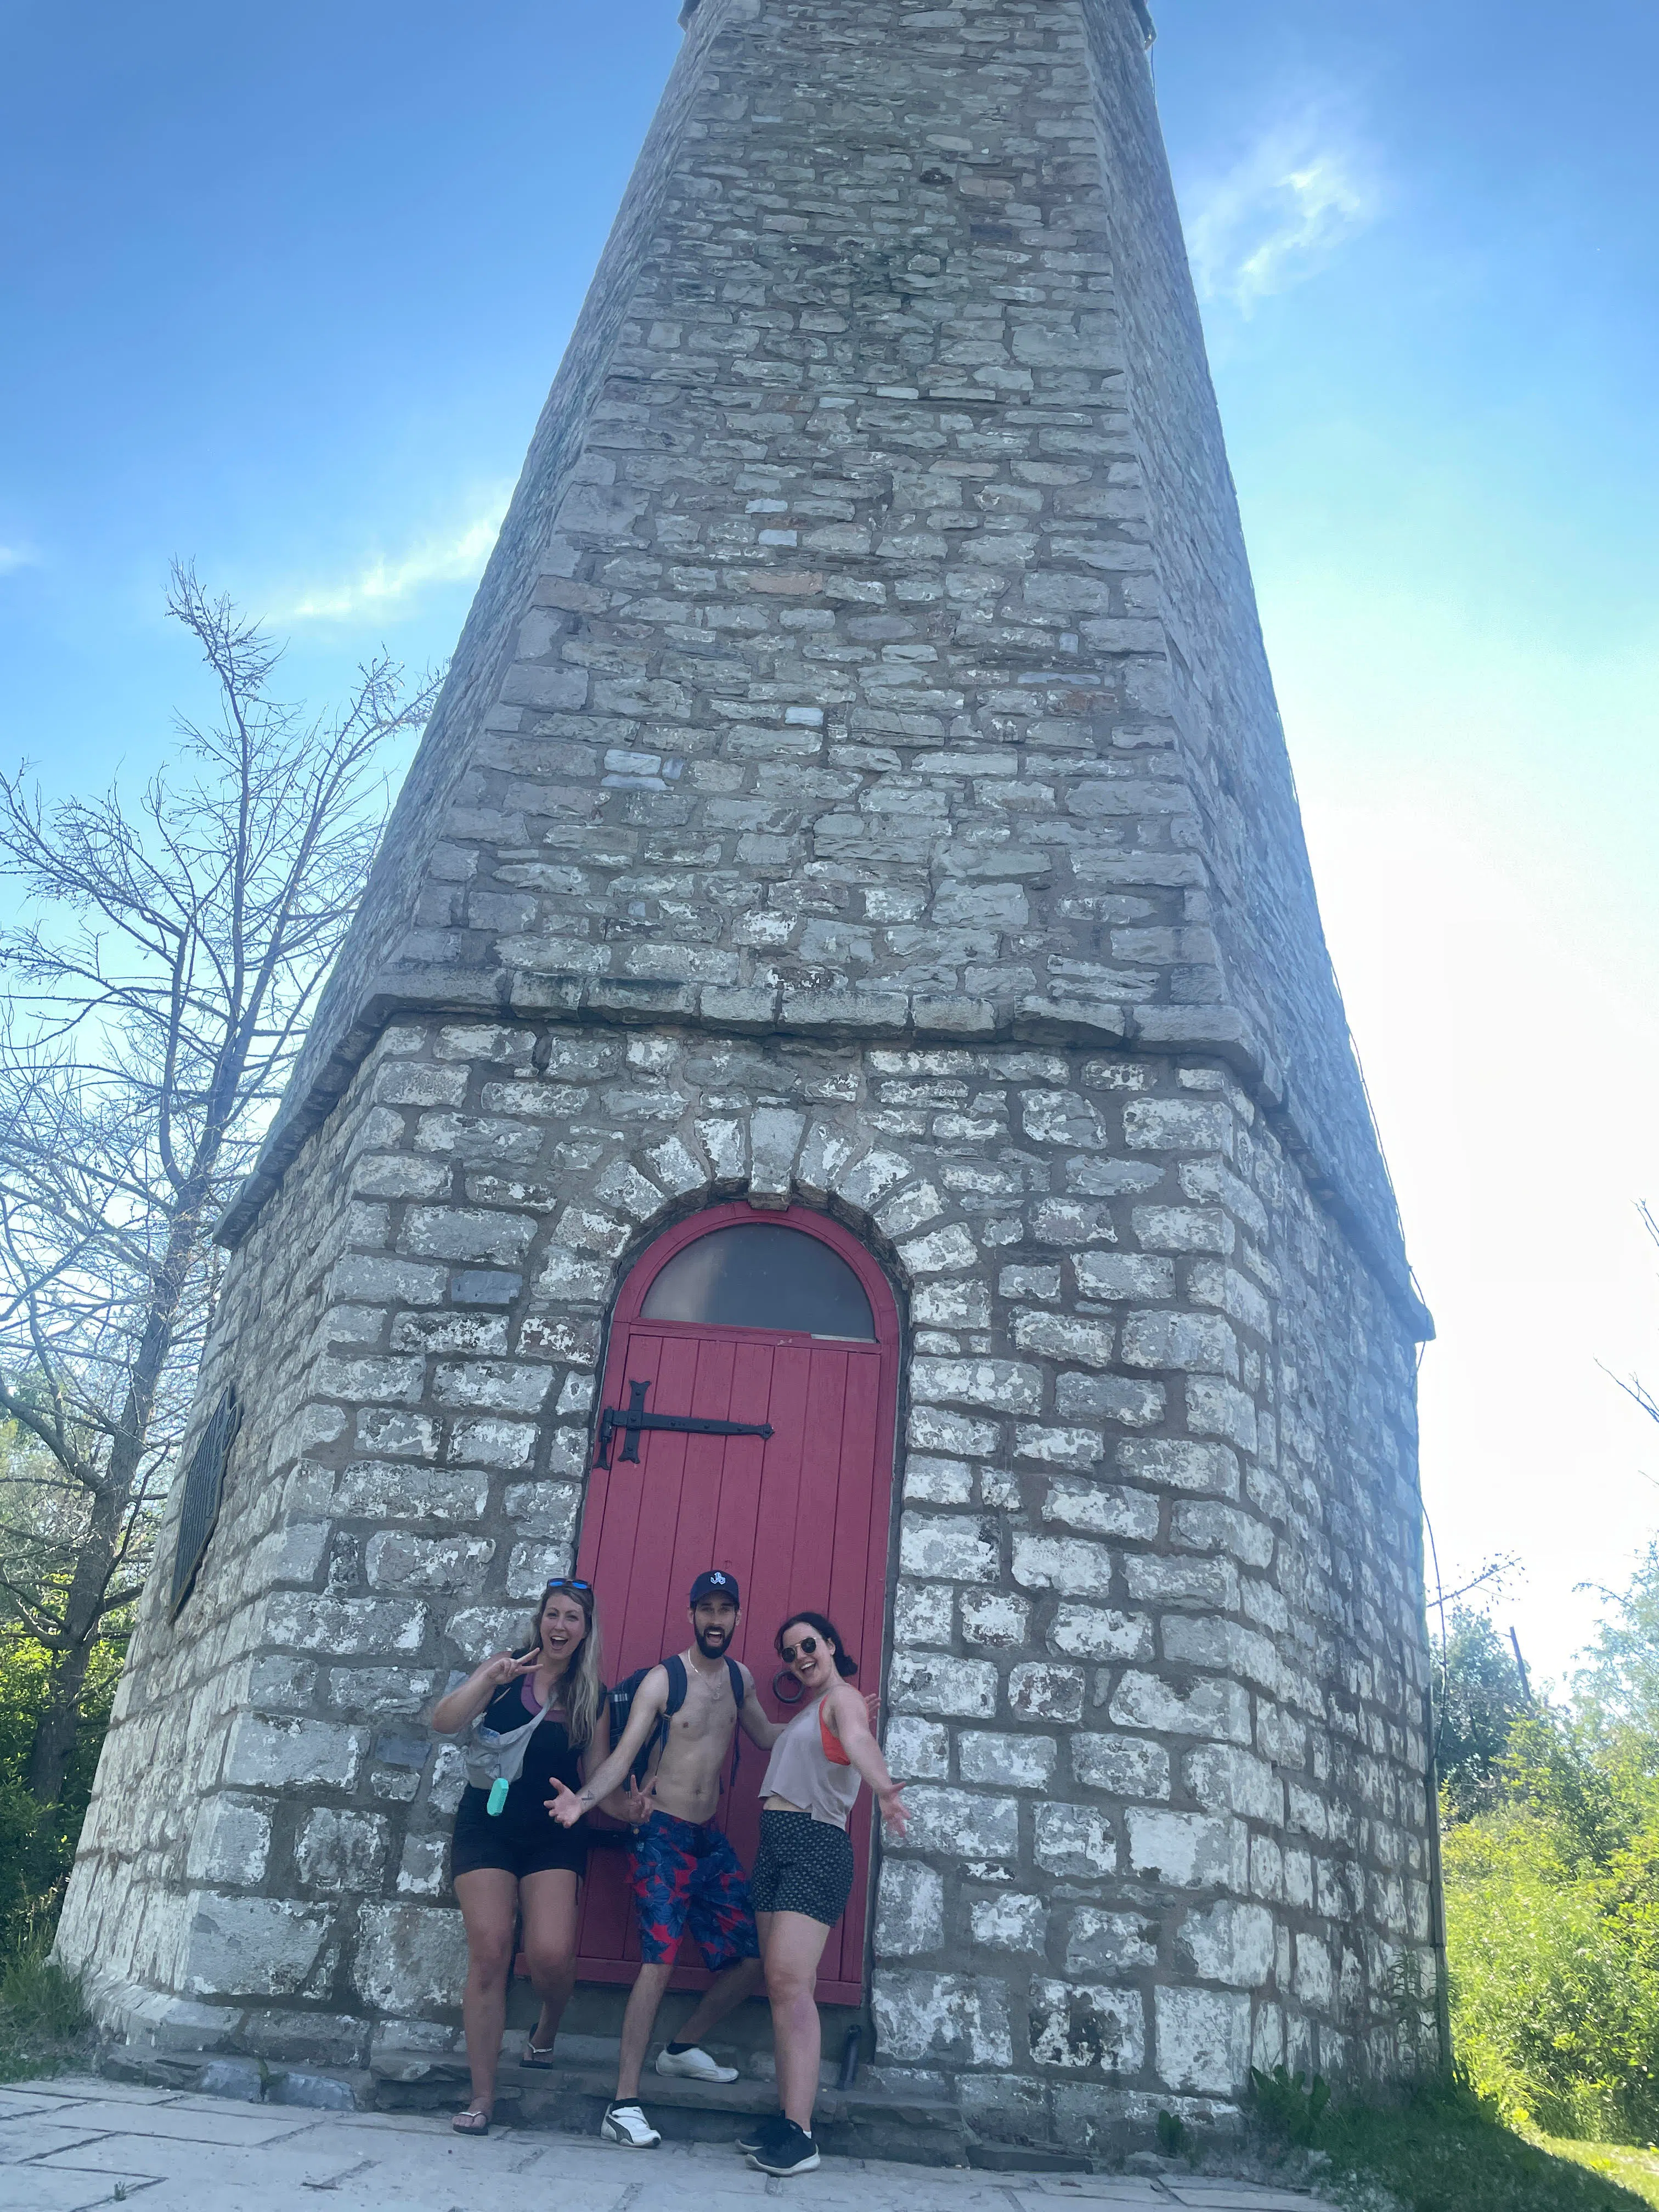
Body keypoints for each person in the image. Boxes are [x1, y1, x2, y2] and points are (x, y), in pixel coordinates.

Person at [549, 1568, 785, 2149]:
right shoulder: (664, 1681)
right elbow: (622, 1754)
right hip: (662, 1837)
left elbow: (767, 1736)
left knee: (752, 1958)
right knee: (659, 1962)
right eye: (706, 1609)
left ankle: (681, 2048)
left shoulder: (740, 1679)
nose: (715, 1620)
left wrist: (831, 1716)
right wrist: (583, 1802)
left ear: (736, 1618)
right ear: (691, 1616)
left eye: (724, 1610)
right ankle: (623, 2104)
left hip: (708, 1840)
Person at [431, 1575, 610, 2136]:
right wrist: (488, 1679)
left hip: (553, 1830)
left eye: (572, 1618)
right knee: (490, 1951)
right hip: (487, 1824)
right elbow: (444, 1721)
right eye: (553, 1614)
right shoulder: (505, 1669)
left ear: (585, 1631)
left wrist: (619, 1806)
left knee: (551, 1955)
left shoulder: (592, 1697)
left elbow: (598, 1776)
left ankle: (548, 2023)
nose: (560, 1626)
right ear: (541, 1620)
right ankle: (482, 2096)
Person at [737, 1610, 907, 2179]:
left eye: (808, 1645)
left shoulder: (845, 1699)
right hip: (776, 1849)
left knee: (789, 1984)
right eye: (789, 1653)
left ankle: (802, 2135)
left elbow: (857, 1738)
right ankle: (789, 2119)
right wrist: (739, 1689)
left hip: (815, 1846)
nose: (800, 1658)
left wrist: (883, 1789)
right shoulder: (810, 1712)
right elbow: (768, 1736)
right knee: (785, 1987)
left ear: (831, 1644)